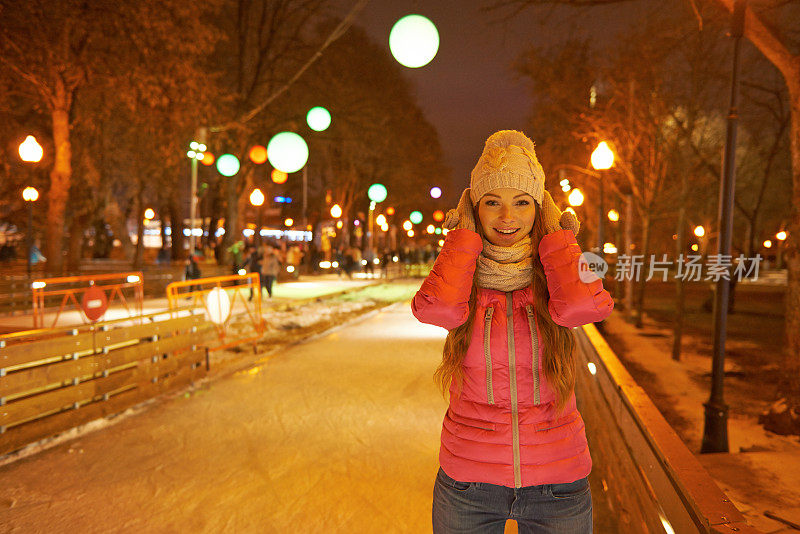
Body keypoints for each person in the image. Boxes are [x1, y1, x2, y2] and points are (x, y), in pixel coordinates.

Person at [411, 130, 613, 533]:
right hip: (469, 482)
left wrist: (558, 235)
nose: (508, 218)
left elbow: (585, 306)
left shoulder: (556, 273)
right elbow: (436, 310)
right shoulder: (463, 273)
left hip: (558, 483)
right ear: (475, 209)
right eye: (492, 203)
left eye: (523, 203)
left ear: (540, 210)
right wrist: (462, 237)